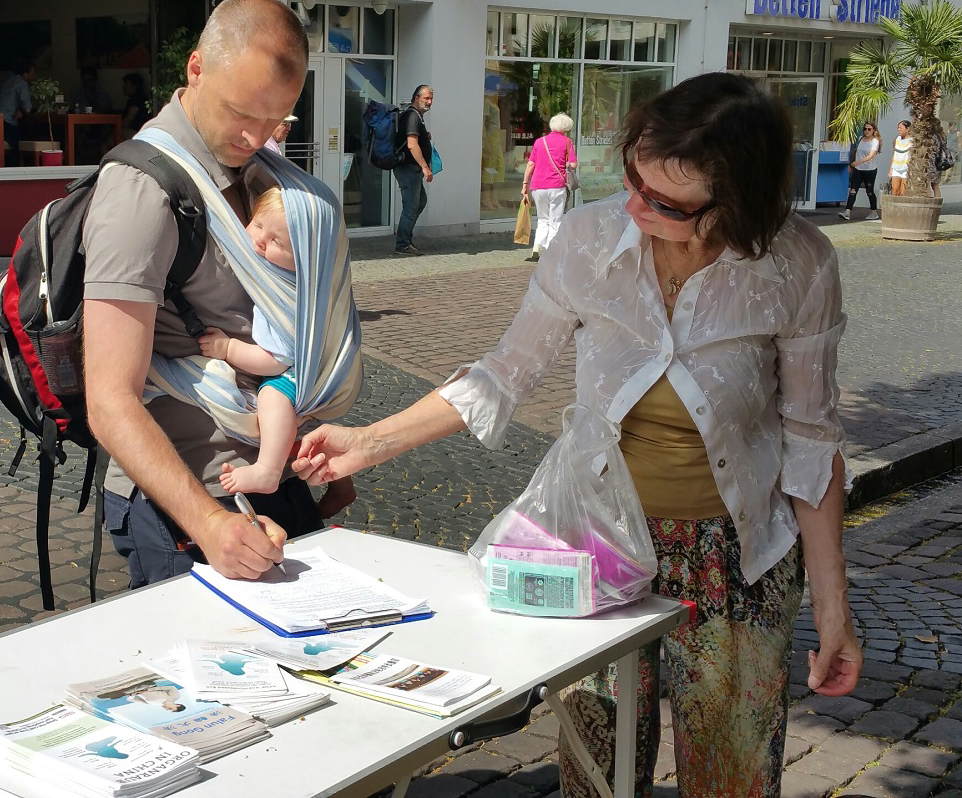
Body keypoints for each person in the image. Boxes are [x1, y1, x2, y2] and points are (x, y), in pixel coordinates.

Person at [294, 72, 860, 798]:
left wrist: (833, 610)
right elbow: (505, 373)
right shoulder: (588, 240)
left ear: (736, 204)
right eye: (632, 178)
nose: (635, 206)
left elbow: (811, 440)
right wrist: (368, 443)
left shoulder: (797, 263)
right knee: (597, 769)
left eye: (664, 202)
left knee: (734, 775)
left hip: (736, 555)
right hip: (595, 548)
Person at [81, 0, 327, 589]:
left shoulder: (256, 170)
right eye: (241, 111)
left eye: (276, 120)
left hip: (271, 481)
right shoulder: (141, 191)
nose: (255, 135)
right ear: (196, 68)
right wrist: (210, 524)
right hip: (192, 504)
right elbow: (109, 399)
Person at [200, 187, 357, 517]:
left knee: (272, 399)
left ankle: (267, 471)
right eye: (257, 224)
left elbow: (276, 360)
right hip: (318, 366)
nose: (259, 241)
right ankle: (341, 485)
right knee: (305, 437)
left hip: (302, 372)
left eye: (277, 242)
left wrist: (227, 348)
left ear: (305, 256)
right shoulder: (287, 274)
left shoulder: (288, 293)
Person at [521, 113, 578, 261]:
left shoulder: (539, 142)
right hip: (556, 186)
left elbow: (530, 164)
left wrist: (525, 184)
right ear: (565, 128)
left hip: (537, 186)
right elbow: (573, 164)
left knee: (542, 219)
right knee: (555, 220)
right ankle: (551, 251)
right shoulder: (567, 142)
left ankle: (537, 247)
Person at [394, 85, 434, 256]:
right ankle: (402, 245)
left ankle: (406, 239)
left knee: (420, 202)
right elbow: (412, 144)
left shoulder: (416, 116)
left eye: (431, 99)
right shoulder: (412, 116)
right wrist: (425, 167)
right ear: (416, 98)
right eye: (426, 98)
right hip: (408, 169)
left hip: (411, 169)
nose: (429, 102)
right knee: (411, 207)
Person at [0, 61, 35, 165]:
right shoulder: (22, 83)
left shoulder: (8, 80)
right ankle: (20, 168)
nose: (34, 77)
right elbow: (27, 108)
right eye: (32, 74)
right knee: (25, 144)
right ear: (25, 74)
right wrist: (22, 111)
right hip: (7, 123)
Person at [841, 120, 882, 220]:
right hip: (858, 169)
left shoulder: (875, 141)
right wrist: (852, 164)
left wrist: (859, 162)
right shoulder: (861, 139)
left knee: (869, 191)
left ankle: (874, 212)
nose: (866, 131)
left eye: (869, 129)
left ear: (873, 130)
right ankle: (847, 212)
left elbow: (871, 156)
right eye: (865, 129)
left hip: (869, 169)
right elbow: (855, 152)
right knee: (853, 190)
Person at [889, 118, 912, 195]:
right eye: (898, 128)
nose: (899, 129)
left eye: (901, 128)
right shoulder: (897, 139)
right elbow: (894, 154)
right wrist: (891, 169)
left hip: (906, 169)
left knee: (903, 191)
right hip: (896, 167)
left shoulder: (912, 141)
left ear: (908, 129)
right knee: (894, 190)